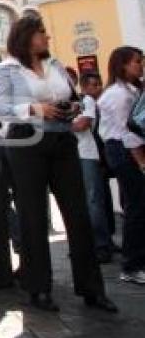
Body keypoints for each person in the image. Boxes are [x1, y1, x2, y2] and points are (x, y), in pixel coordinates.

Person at [0, 14, 116, 313]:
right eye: (41, 33)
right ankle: (38, 288)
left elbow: (75, 97)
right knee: (33, 215)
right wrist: (35, 108)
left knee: (78, 214)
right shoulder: (7, 69)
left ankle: (92, 289)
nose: (47, 37)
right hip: (26, 142)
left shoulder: (56, 65)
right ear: (26, 37)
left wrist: (72, 106)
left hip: (63, 142)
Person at [97, 47, 145, 284]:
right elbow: (127, 133)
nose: (141, 66)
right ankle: (132, 265)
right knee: (137, 207)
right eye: (137, 62)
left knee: (135, 205)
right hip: (123, 150)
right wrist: (141, 162)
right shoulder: (118, 95)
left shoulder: (133, 91)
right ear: (123, 65)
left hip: (129, 149)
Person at [72, 72, 113, 264]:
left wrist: (60, 122)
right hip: (73, 156)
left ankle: (102, 245)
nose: (98, 88)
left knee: (93, 201)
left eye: (99, 84)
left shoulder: (86, 100)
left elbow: (83, 124)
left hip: (87, 154)